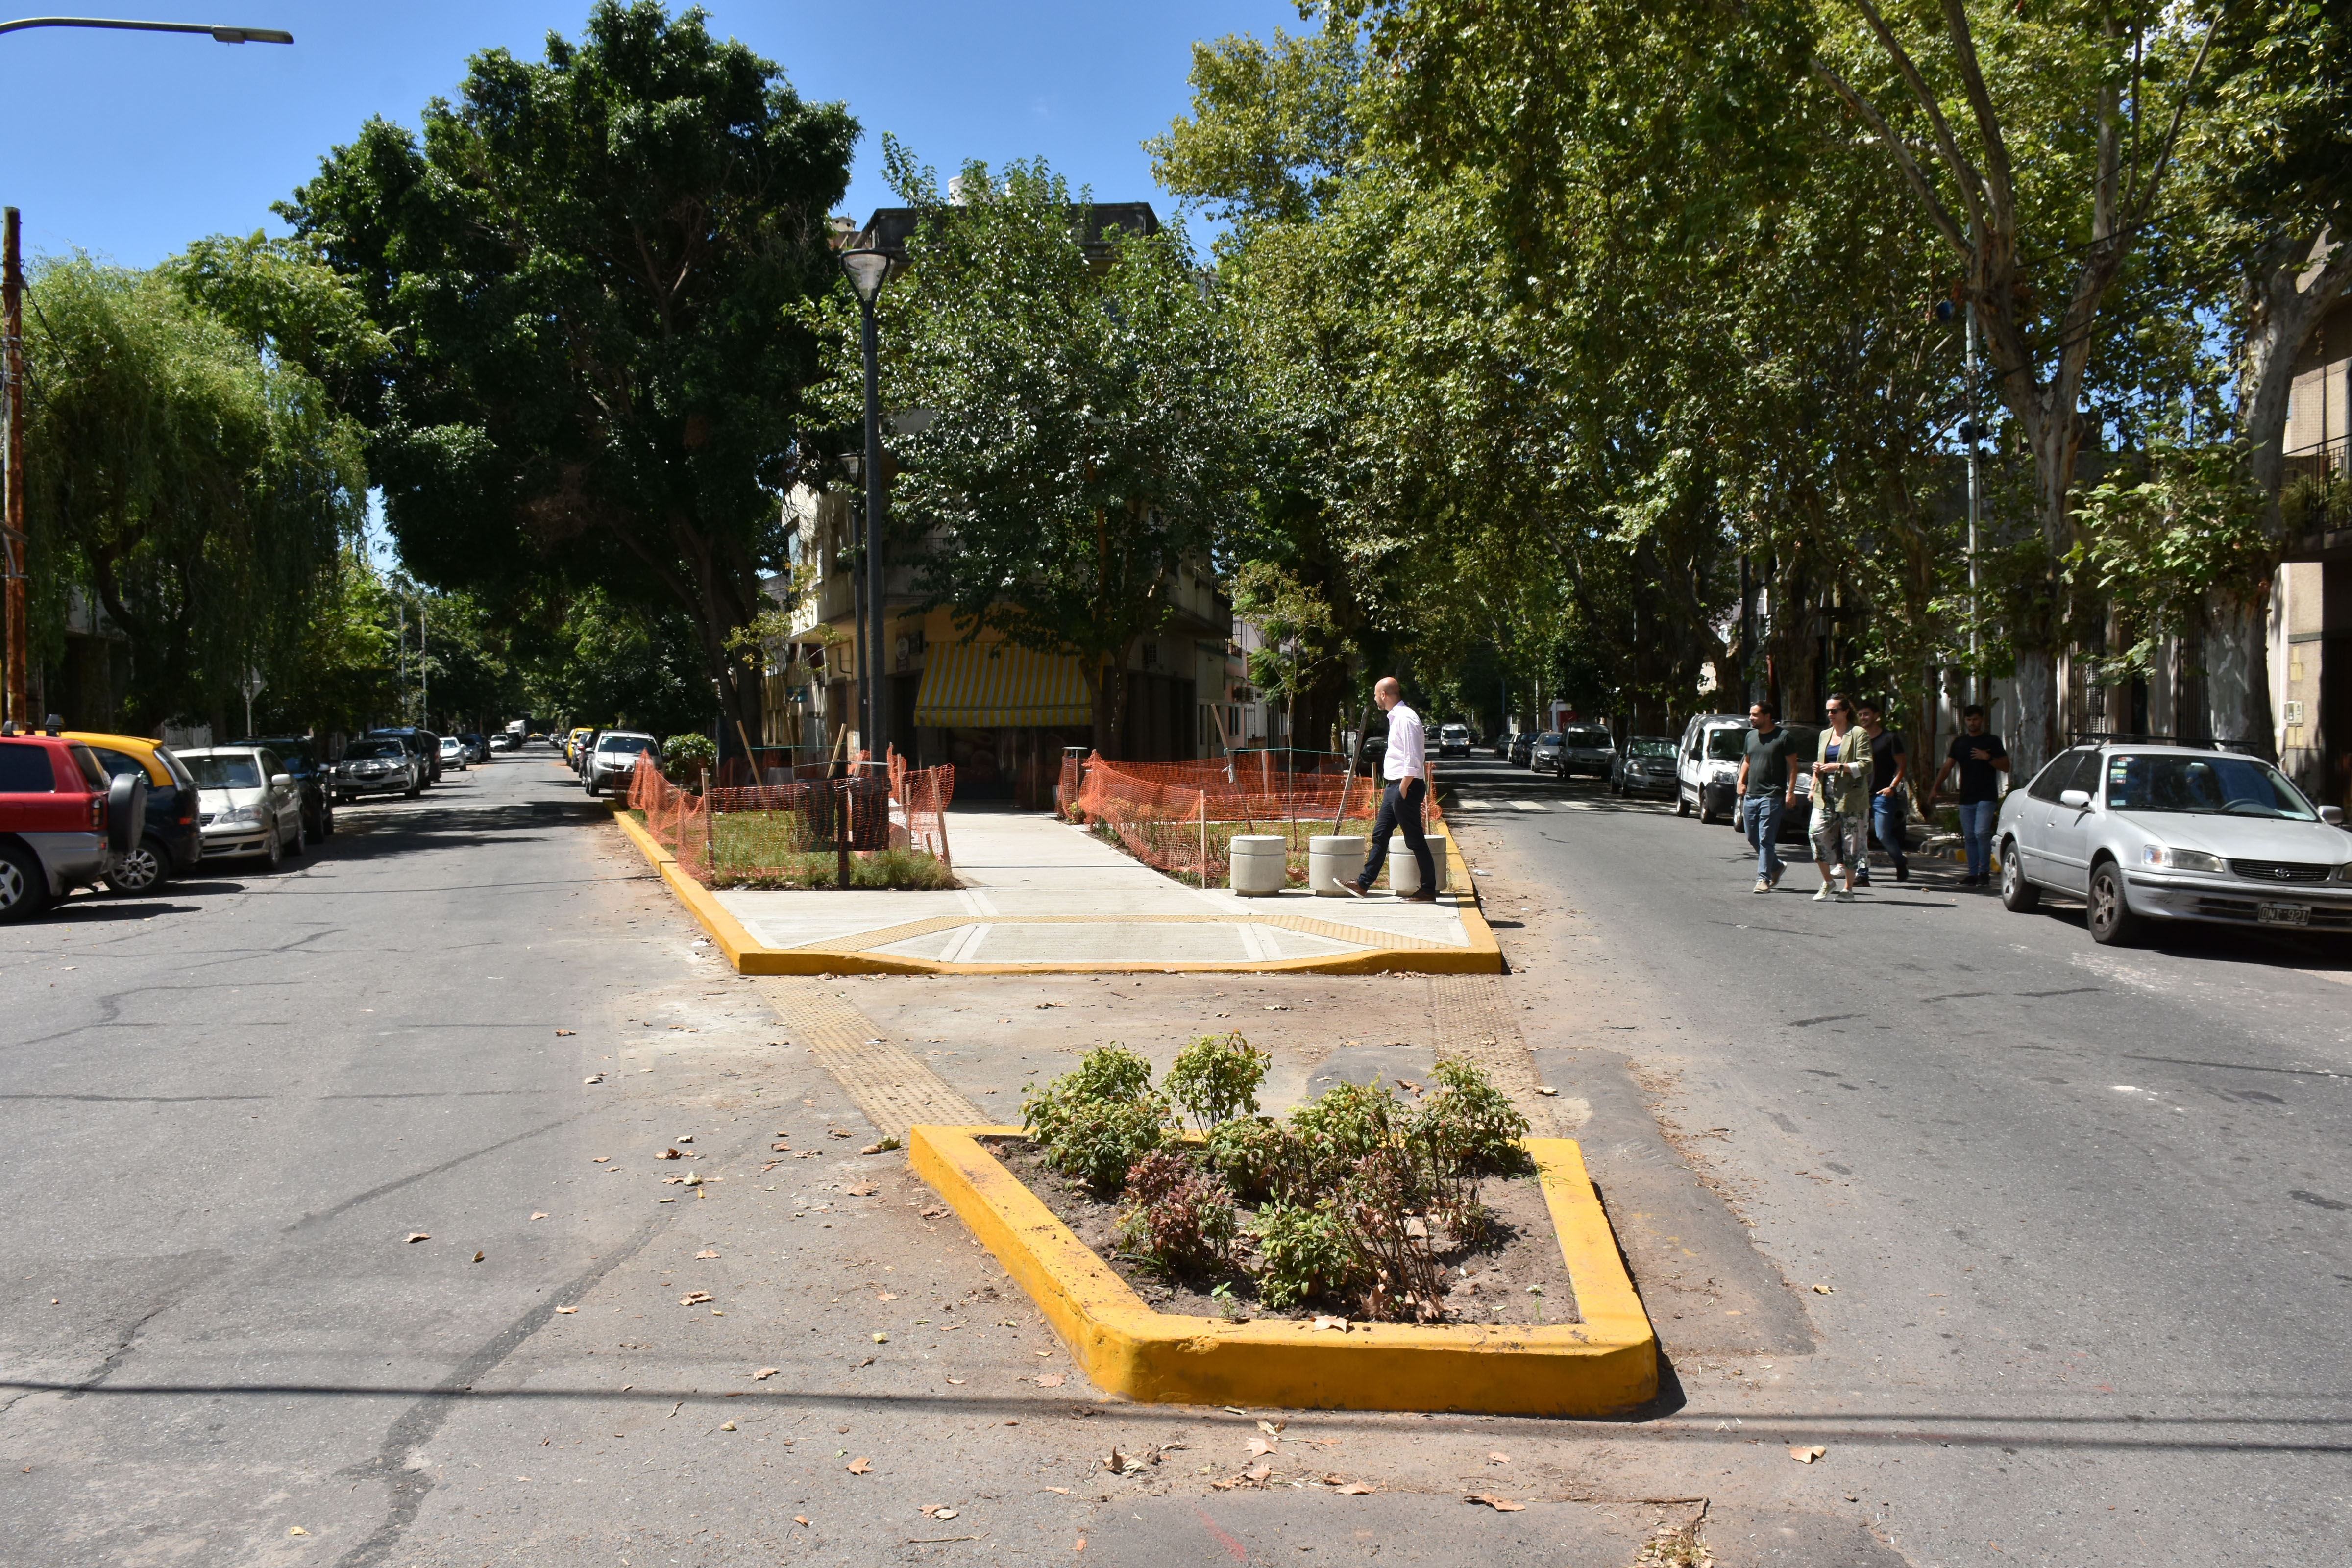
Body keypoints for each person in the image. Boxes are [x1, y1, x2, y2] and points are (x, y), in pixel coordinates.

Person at [1344, 676, 1439, 901]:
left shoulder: (1406, 719)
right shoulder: (1397, 718)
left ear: (1384, 695)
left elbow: (1412, 756)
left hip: (1406, 786)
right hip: (1395, 787)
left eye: (1376, 694)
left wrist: (1404, 787)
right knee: (1380, 834)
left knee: (1414, 838)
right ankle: (1363, 884)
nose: (1375, 698)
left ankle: (1428, 889)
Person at [1928, 704, 2010, 886]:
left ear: (1982, 720)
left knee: (1981, 832)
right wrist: (1935, 788)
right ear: (1965, 721)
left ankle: (1984, 873)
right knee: (1970, 836)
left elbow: (2006, 766)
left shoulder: (1992, 741)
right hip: (1966, 797)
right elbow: (1948, 767)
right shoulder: (1960, 743)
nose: (1972, 723)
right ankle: (1972, 874)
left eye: (1975, 719)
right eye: (1969, 720)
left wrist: (1987, 758)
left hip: (1986, 795)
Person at [1808, 695, 1871, 901]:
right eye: (1828, 711)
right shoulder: (1825, 734)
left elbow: (1866, 765)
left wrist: (1840, 767)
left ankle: (1848, 889)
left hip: (1851, 798)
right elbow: (1820, 762)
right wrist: (1815, 777)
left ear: (1845, 712)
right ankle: (1828, 881)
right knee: (1815, 834)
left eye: (1834, 711)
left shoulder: (1858, 733)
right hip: (1825, 796)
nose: (1830, 715)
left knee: (1851, 843)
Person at [1735, 700, 1800, 894]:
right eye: (1751, 714)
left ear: (1767, 716)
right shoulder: (1750, 736)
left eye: (1755, 715)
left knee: (1766, 839)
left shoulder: (1784, 737)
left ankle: (1763, 879)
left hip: (1772, 795)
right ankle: (1777, 865)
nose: (1751, 718)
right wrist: (1741, 781)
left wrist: (1790, 792)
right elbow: (1747, 761)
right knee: (1752, 837)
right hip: (1751, 794)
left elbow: (1793, 767)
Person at [1853, 699, 1909, 886]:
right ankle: (1863, 874)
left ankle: (1900, 862)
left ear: (1877, 716)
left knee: (1883, 835)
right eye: (1860, 715)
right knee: (1861, 835)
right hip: (1861, 793)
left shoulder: (1889, 738)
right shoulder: (1857, 739)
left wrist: (1892, 787)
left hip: (1882, 794)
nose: (1863, 718)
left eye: (1867, 714)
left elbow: (1902, 765)